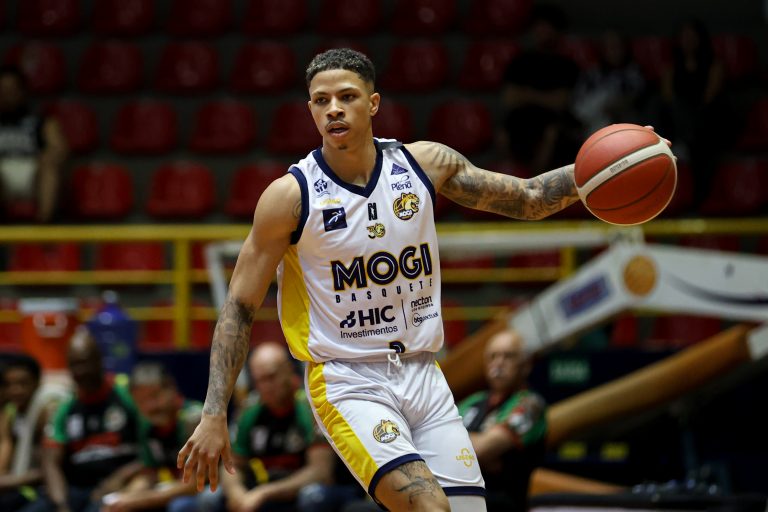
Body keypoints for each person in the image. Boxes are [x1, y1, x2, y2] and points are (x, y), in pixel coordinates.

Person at [178, 47, 660, 512]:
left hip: (425, 374)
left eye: (346, 96)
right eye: (321, 100)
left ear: (373, 104)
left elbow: (529, 198)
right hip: (347, 380)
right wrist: (214, 412)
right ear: (311, 110)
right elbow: (239, 307)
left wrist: (617, 164)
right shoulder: (290, 197)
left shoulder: (424, 164)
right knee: (428, 506)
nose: (333, 109)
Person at [20, 327, 141, 512]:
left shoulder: (127, 394)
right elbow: (51, 463)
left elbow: (153, 447)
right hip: (77, 488)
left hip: (120, 484)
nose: (81, 371)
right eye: (74, 365)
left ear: (99, 360)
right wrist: (61, 505)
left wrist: (123, 476)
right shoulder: (65, 408)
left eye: (85, 362)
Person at [457, 329, 547, 512]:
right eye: (493, 356)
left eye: (508, 356)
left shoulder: (530, 405)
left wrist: (460, 447)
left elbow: (482, 450)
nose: (498, 363)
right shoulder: (473, 401)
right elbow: (434, 441)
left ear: (525, 365)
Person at [98, 362, 201, 512]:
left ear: (172, 389)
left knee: (180, 506)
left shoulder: (193, 420)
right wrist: (123, 499)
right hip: (173, 487)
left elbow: (193, 485)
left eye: (155, 396)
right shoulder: (147, 426)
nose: (150, 407)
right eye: (141, 401)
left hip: (207, 490)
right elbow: (150, 474)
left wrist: (138, 501)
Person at [500, 4, 581, 172]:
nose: (542, 31)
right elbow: (509, 98)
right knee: (503, 131)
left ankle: (537, 178)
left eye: (547, 26)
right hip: (521, 119)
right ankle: (514, 175)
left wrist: (527, 94)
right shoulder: (520, 61)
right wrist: (544, 97)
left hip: (553, 121)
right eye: (539, 26)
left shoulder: (566, 65)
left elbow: (560, 102)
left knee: (552, 133)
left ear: (557, 30)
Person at [659, 19, 728, 210]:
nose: (688, 40)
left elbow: (709, 98)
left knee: (703, 137)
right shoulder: (671, 67)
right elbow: (668, 98)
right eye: (684, 36)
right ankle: (684, 143)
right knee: (668, 109)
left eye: (692, 36)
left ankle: (686, 145)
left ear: (700, 39)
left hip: (707, 118)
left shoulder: (714, 64)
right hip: (679, 119)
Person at [0, 355, 68, 511]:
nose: (16, 390)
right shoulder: (11, 415)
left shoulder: (46, 411)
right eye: (9, 385)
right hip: (18, 488)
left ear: (37, 383)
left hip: (42, 491)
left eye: (23, 383)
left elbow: (49, 468)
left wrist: (9, 481)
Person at [0, 65, 68, 222]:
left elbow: (60, 149)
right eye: (2, 91)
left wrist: (48, 156)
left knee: (49, 167)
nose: (7, 95)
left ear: (22, 92)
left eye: (11, 90)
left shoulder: (42, 122)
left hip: (33, 172)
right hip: (1, 172)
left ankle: (44, 226)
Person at [572, 30, 647, 137]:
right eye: (608, 46)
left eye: (616, 46)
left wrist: (614, 105)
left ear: (624, 48)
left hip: (626, 119)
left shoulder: (633, 71)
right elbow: (578, 104)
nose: (613, 50)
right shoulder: (592, 73)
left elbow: (637, 97)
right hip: (591, 119)